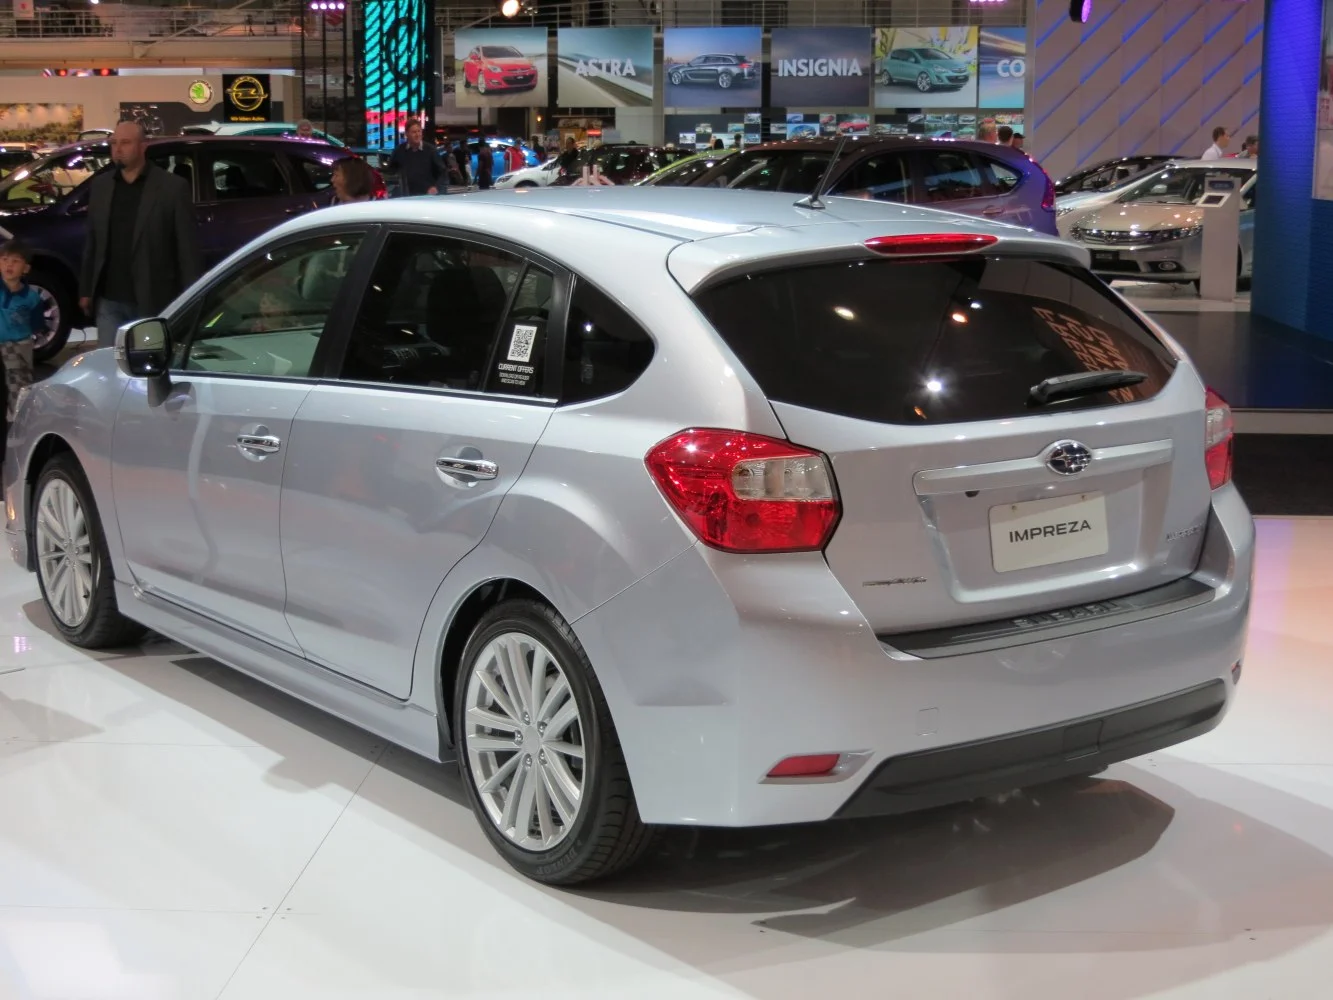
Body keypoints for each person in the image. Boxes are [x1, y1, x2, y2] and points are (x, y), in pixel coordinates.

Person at [79, 120, 200, 348]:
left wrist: (190, 299)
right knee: (111, 363)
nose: (118, 149)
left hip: (153, 299)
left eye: (125, 142)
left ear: (143, 146)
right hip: (109, 299)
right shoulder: (101, 186)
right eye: (114, 143)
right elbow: (93, 242)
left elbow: (187, 251)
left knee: (149, 364)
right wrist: (86, 290)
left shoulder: (172, 188)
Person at [0, 239, 42, 423]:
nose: (9, 265)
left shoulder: (31, 297)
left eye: (15, 261)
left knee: (20, 382)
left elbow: (37, 324)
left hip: (20, 345)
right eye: (4, 259)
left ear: (25, 268)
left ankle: (19, 419)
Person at [387, 119, 445, 196]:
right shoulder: (399, 151)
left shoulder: (431, 150)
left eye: (419, 131)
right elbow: (390, 172)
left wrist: (436, 187)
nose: (417, 135)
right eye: (414, 132)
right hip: (406, 197)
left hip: (427, 197)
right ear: (407, 134)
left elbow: (443, 173)